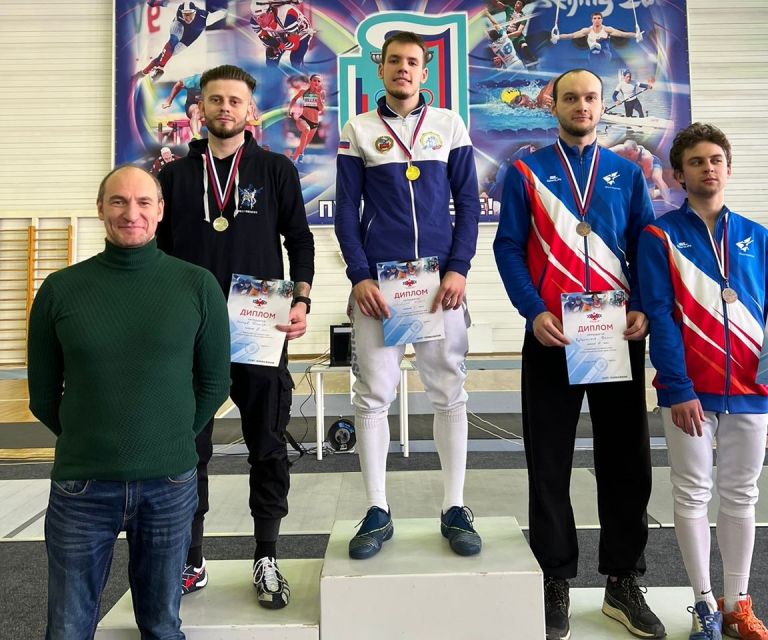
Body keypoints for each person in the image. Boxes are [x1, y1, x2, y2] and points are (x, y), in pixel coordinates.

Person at [493, 68, 664, 640]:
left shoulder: (626, 172)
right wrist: (532, 311)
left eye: (590, 97)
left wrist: (642, 305)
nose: (582, 106)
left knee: (627, 460)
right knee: (549, 461)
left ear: (601, 104)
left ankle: (622, 579)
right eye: (571, 98)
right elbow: (508, 246)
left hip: (616, 333)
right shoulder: (526, 171)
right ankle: (555, 578)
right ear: (555, 106)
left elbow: (646, 245)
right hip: (552, 334)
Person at [28, 166, 231, 639]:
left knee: (162, 626)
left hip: (170, 484)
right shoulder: (60, 289)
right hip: (82, 486)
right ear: (101, 209)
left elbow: (214, 383)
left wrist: (169, 438)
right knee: (67, 628)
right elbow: (43, 396)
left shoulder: (197, 285)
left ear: (160, 211)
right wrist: (91, 439)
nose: (131, 213)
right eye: (118, 201)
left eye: (143, 202)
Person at [157, 64, 315, 609]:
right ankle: (191, 558)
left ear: (250, 110)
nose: (225, 108)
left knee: (267, 445)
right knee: (188, 450)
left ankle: (266, 555)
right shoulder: (174, 177)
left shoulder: (275, 170)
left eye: (235, 100)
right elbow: (154, 253)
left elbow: (300, 240)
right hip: (190, 332)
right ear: (199, 108)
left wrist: (302, 300)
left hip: (260, 328)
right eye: (215, 99)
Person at [335, 32, 482, 560]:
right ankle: (377, 508)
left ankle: (455, 506)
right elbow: (346, 211)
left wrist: (459, 269)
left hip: (441, 285)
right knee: (373, 394)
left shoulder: (449, 125)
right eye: (394, 60)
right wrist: (359, 276)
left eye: (412, 62)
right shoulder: (358, 129)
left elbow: (468, 204)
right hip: (380, 288)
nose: (403, 69)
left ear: (425, 71)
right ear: (381, 68)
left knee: (449, 391)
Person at [638, 123, 768, 640]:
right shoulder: (659, 236)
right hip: (689, 392)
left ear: (728, 167)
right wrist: (677, 388)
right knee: (693, 493)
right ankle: (703, 604)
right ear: (678, 175)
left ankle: (738, 604)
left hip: (750, 389)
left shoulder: (757, 237)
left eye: (716, 159)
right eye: (696, 162)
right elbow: (659, 314)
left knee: (742, 495)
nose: (708, 168)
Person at [136, 3, 213, 82]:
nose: (187, 17)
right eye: (185, 14)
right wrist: (155, 3)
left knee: (163, 56)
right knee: (172, 41)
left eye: (190, 14)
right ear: (182, 12)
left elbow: (220, 14)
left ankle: (144, 73)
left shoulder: (205, 17)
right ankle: (159, 68)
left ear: (195, 13)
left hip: (189, 36)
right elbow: (166, 3)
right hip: (179, 26)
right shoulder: (179, 7)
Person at [610, 139, 675, 206]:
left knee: (656, 178)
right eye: (626, 154)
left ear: (636, 150)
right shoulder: (621, 149)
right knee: (649, 195)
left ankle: (668, 199)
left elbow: (647, 176)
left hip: (652, 165)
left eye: (629, 154)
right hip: (637, 168)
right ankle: (661, 191)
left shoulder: (646, 157)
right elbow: (605, 151)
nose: (627, 157)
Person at [250, 0, 313, 69]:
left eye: (262, 16)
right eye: (255, 17)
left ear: (270, 12)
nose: (259, 22)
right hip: (281, 32)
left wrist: (277, 44)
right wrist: (272, 46)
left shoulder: (288, 16)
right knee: (271, 62)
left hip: (301, 32)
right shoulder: (254, 22)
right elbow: (266, 39)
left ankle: (303, 73)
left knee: (295, 60)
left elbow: (294, 46)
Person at [553, 12, 640, 61]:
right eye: (595, 18)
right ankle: (595, 48)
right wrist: (558, 37)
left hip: (606, 55)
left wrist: (636, 35)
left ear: (602, 20)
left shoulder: (607, 29)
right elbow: (572, 35)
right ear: (592, 20)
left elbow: (623, 34)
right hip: (592, 56)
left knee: (599, 43)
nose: (597, 20)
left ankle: (597, 47)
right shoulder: (587, 30)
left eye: (599, 18)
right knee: (595, 46)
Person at [287, 74, 325, 163]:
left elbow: (321, 109)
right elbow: (294, 99)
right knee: (306, 129)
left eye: (319, 81)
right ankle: (302, 154)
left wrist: (318, 96)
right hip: (303, 119)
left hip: (314, 123)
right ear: (310, 81)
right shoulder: (303, 92)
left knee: (302, 145)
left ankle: (293, 161)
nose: (316, 82)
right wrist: (289, 109)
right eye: (314, 80)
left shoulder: (321, 93)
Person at [162, 73, 204, 137]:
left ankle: (198, 136)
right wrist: (169, 101)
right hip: (193, 106)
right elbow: (179, 84)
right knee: (196, 111)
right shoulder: (194, 81)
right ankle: (196, 136)